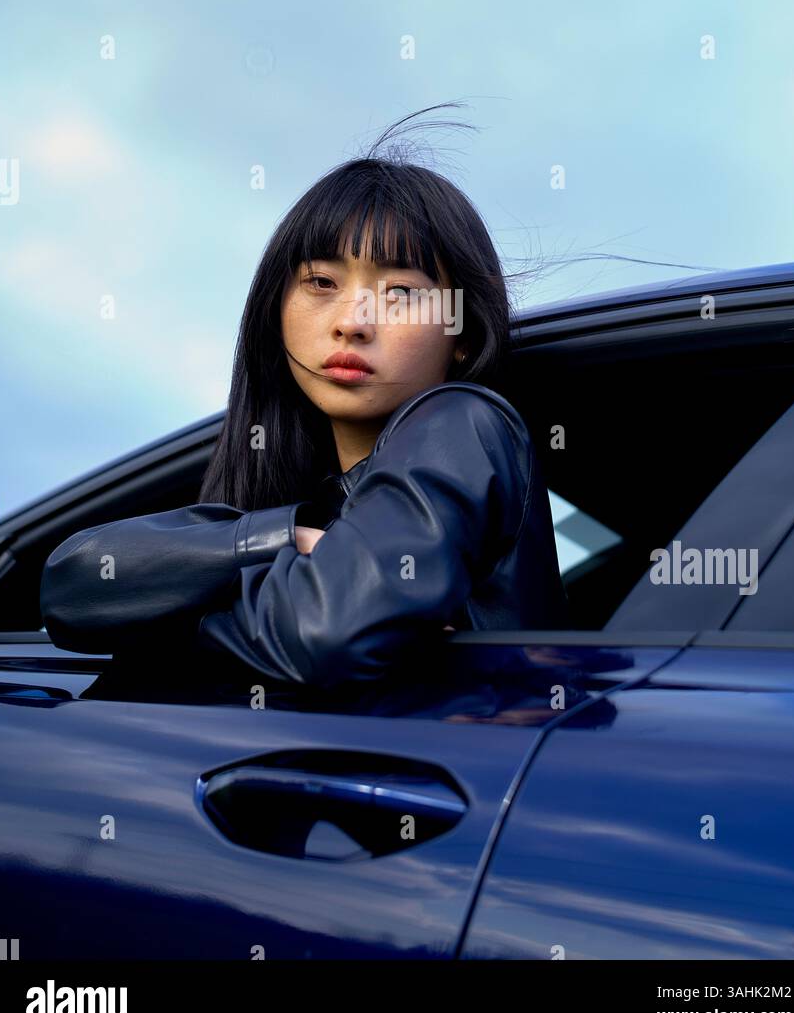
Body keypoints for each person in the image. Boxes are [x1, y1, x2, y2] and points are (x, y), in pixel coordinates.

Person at [40, 108, 569, 688]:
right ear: (278, 309)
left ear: (462, 336)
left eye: (401, 291)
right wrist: (276, 539)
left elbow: (328, 629)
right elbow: (71, 584)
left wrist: (155, 618)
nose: (352, 322)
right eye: (321, 283)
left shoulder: (462, 420)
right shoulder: (306, 504)